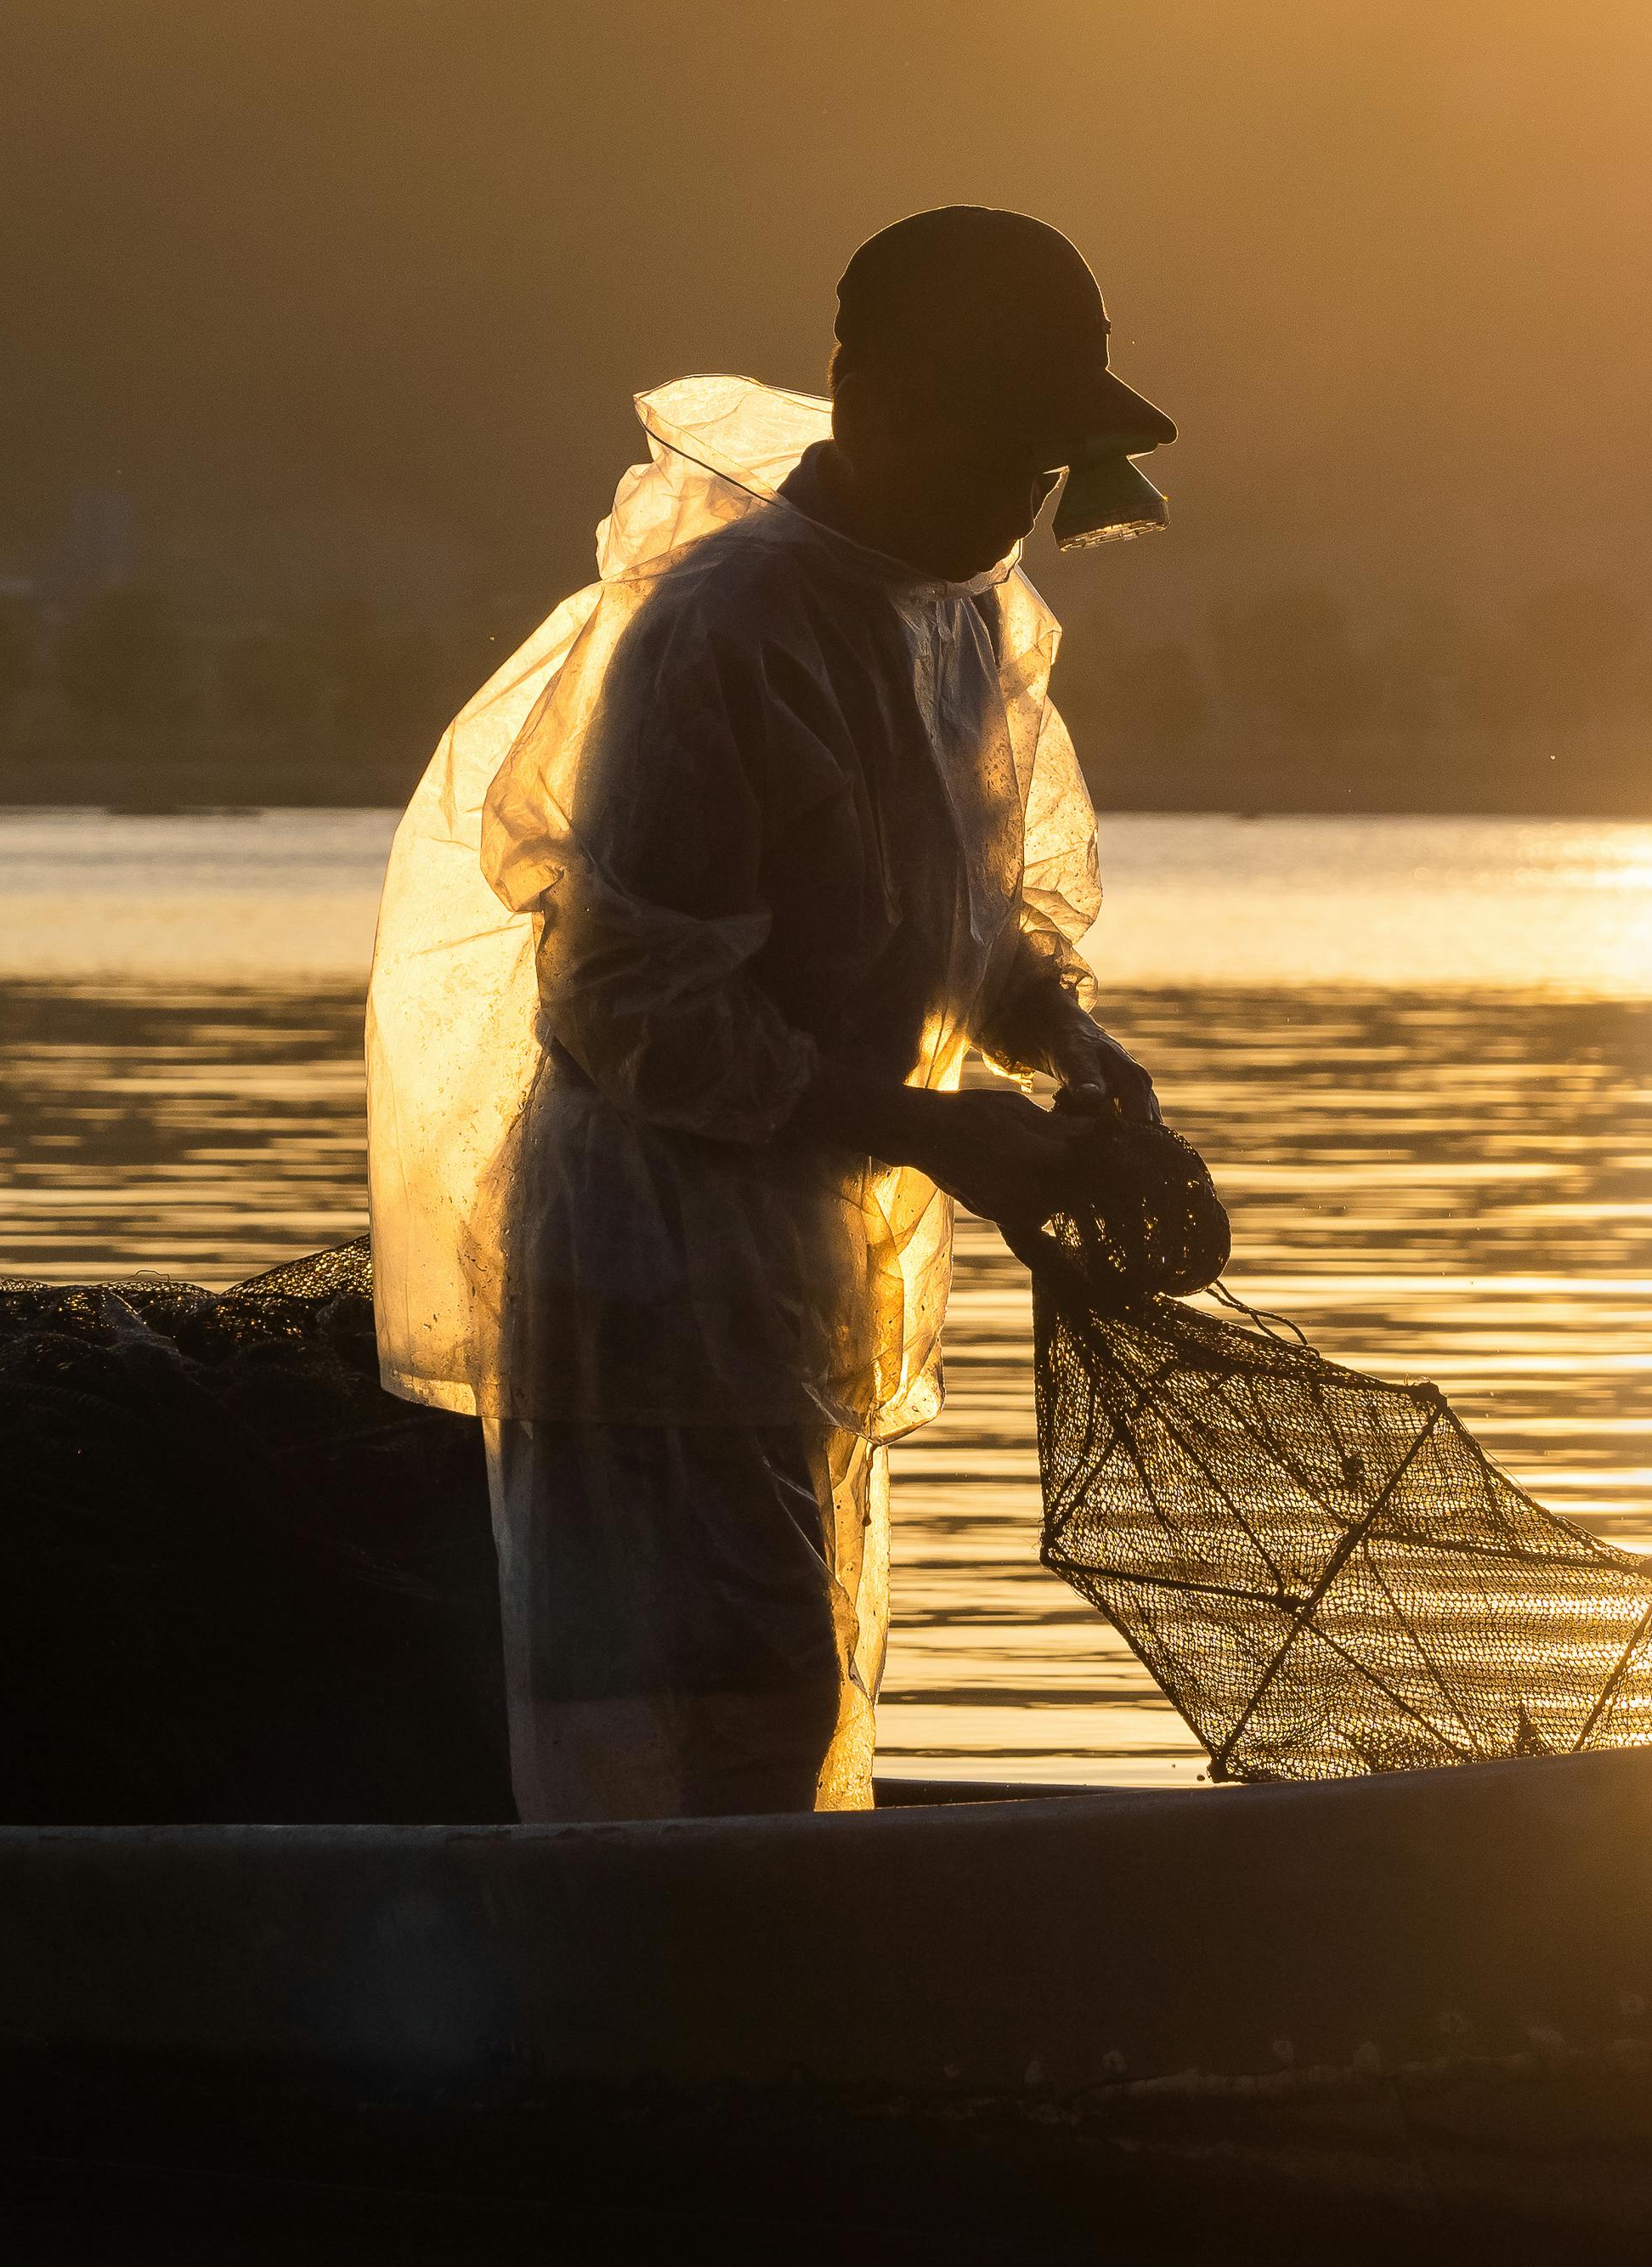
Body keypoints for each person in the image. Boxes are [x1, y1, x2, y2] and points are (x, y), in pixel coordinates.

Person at [361, 208, 1177, 1820]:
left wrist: (1066, 1044)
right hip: (649, 1268)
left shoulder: (960, 625)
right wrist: (935, 1135)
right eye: (990, 439)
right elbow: (630, 1008)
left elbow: (974, 929)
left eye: (1038, 462)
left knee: (789, 1701)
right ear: (866, 398)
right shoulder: (724, 631)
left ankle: (732, 2026)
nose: (1013, 496)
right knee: (699, 1730)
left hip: (799, 1260)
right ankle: (663, 2043)